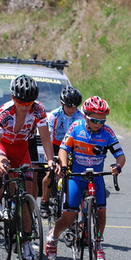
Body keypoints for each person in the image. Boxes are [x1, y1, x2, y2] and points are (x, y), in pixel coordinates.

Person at [45, 96, 126, 260]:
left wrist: (117, 166)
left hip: (96, 177)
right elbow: (63, 150)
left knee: (101, 212)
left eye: (102, 121)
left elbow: (120, 155)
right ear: (86, 117)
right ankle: (53, 237)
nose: (99, 124)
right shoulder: (76, 127)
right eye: (95, 120)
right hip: (77, 176)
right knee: (69, 217)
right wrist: (64, 165)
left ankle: (98, 243)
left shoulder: (108, 132)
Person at [0, 74, 57, 260]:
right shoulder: (4, 113)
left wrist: (50, 160)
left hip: (22, 147)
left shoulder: (38, 110)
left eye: (29, 103)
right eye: (21, 102)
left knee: (28, 191)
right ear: (13, 98)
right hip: (3, 145)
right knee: (1, 166)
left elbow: (45, 139)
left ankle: (26, 240)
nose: (25, 106)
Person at [39, 85, 84, 218]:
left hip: (72, 147)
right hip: (55, 145)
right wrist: (50, 157)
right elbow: (47, 136)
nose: (71, 109)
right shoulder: (54, 115)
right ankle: (44, 202)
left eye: (74, 107)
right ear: (62, 103)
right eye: (69, 106)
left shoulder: (80, 116)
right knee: (51, 173)